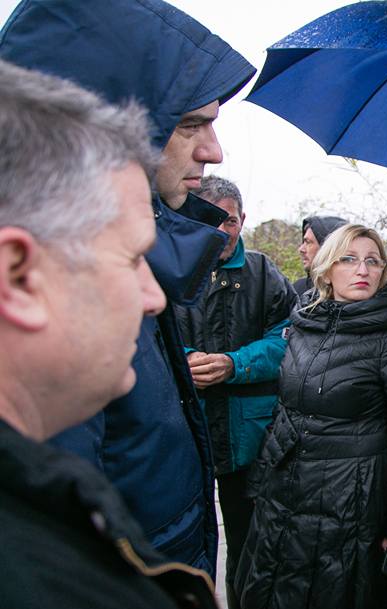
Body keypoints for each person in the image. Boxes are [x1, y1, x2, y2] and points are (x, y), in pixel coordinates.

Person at [0, 0, 256, 573]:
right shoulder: (58, 278)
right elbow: (52, 568)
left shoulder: (123, 249)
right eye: (190, 123)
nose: (213, 150)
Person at [235, 224, 387, 609]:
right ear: (326, 269)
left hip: (353, 503)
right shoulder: (305, 321)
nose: (363, 269)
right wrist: (261, 485)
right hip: (289, 494)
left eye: (373, 260)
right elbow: (285, 410)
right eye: (349, 258)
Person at [175, 175, 297, 609]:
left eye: (229, 219)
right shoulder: (173, 271)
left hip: (251, 434)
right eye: (210, 219)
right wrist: (184, 360)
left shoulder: (266, 274)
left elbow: (288, 340)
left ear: (242, 220)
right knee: (187, 529)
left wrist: (234, 364)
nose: (222, 230)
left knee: (249, 534)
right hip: (187, 430)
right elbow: (148, 332)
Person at [294, 215, 349, 295]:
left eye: (308, 242)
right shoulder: (297, 290)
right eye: (303, 242)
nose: (301, 249)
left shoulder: (356, 292)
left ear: (326, 248)